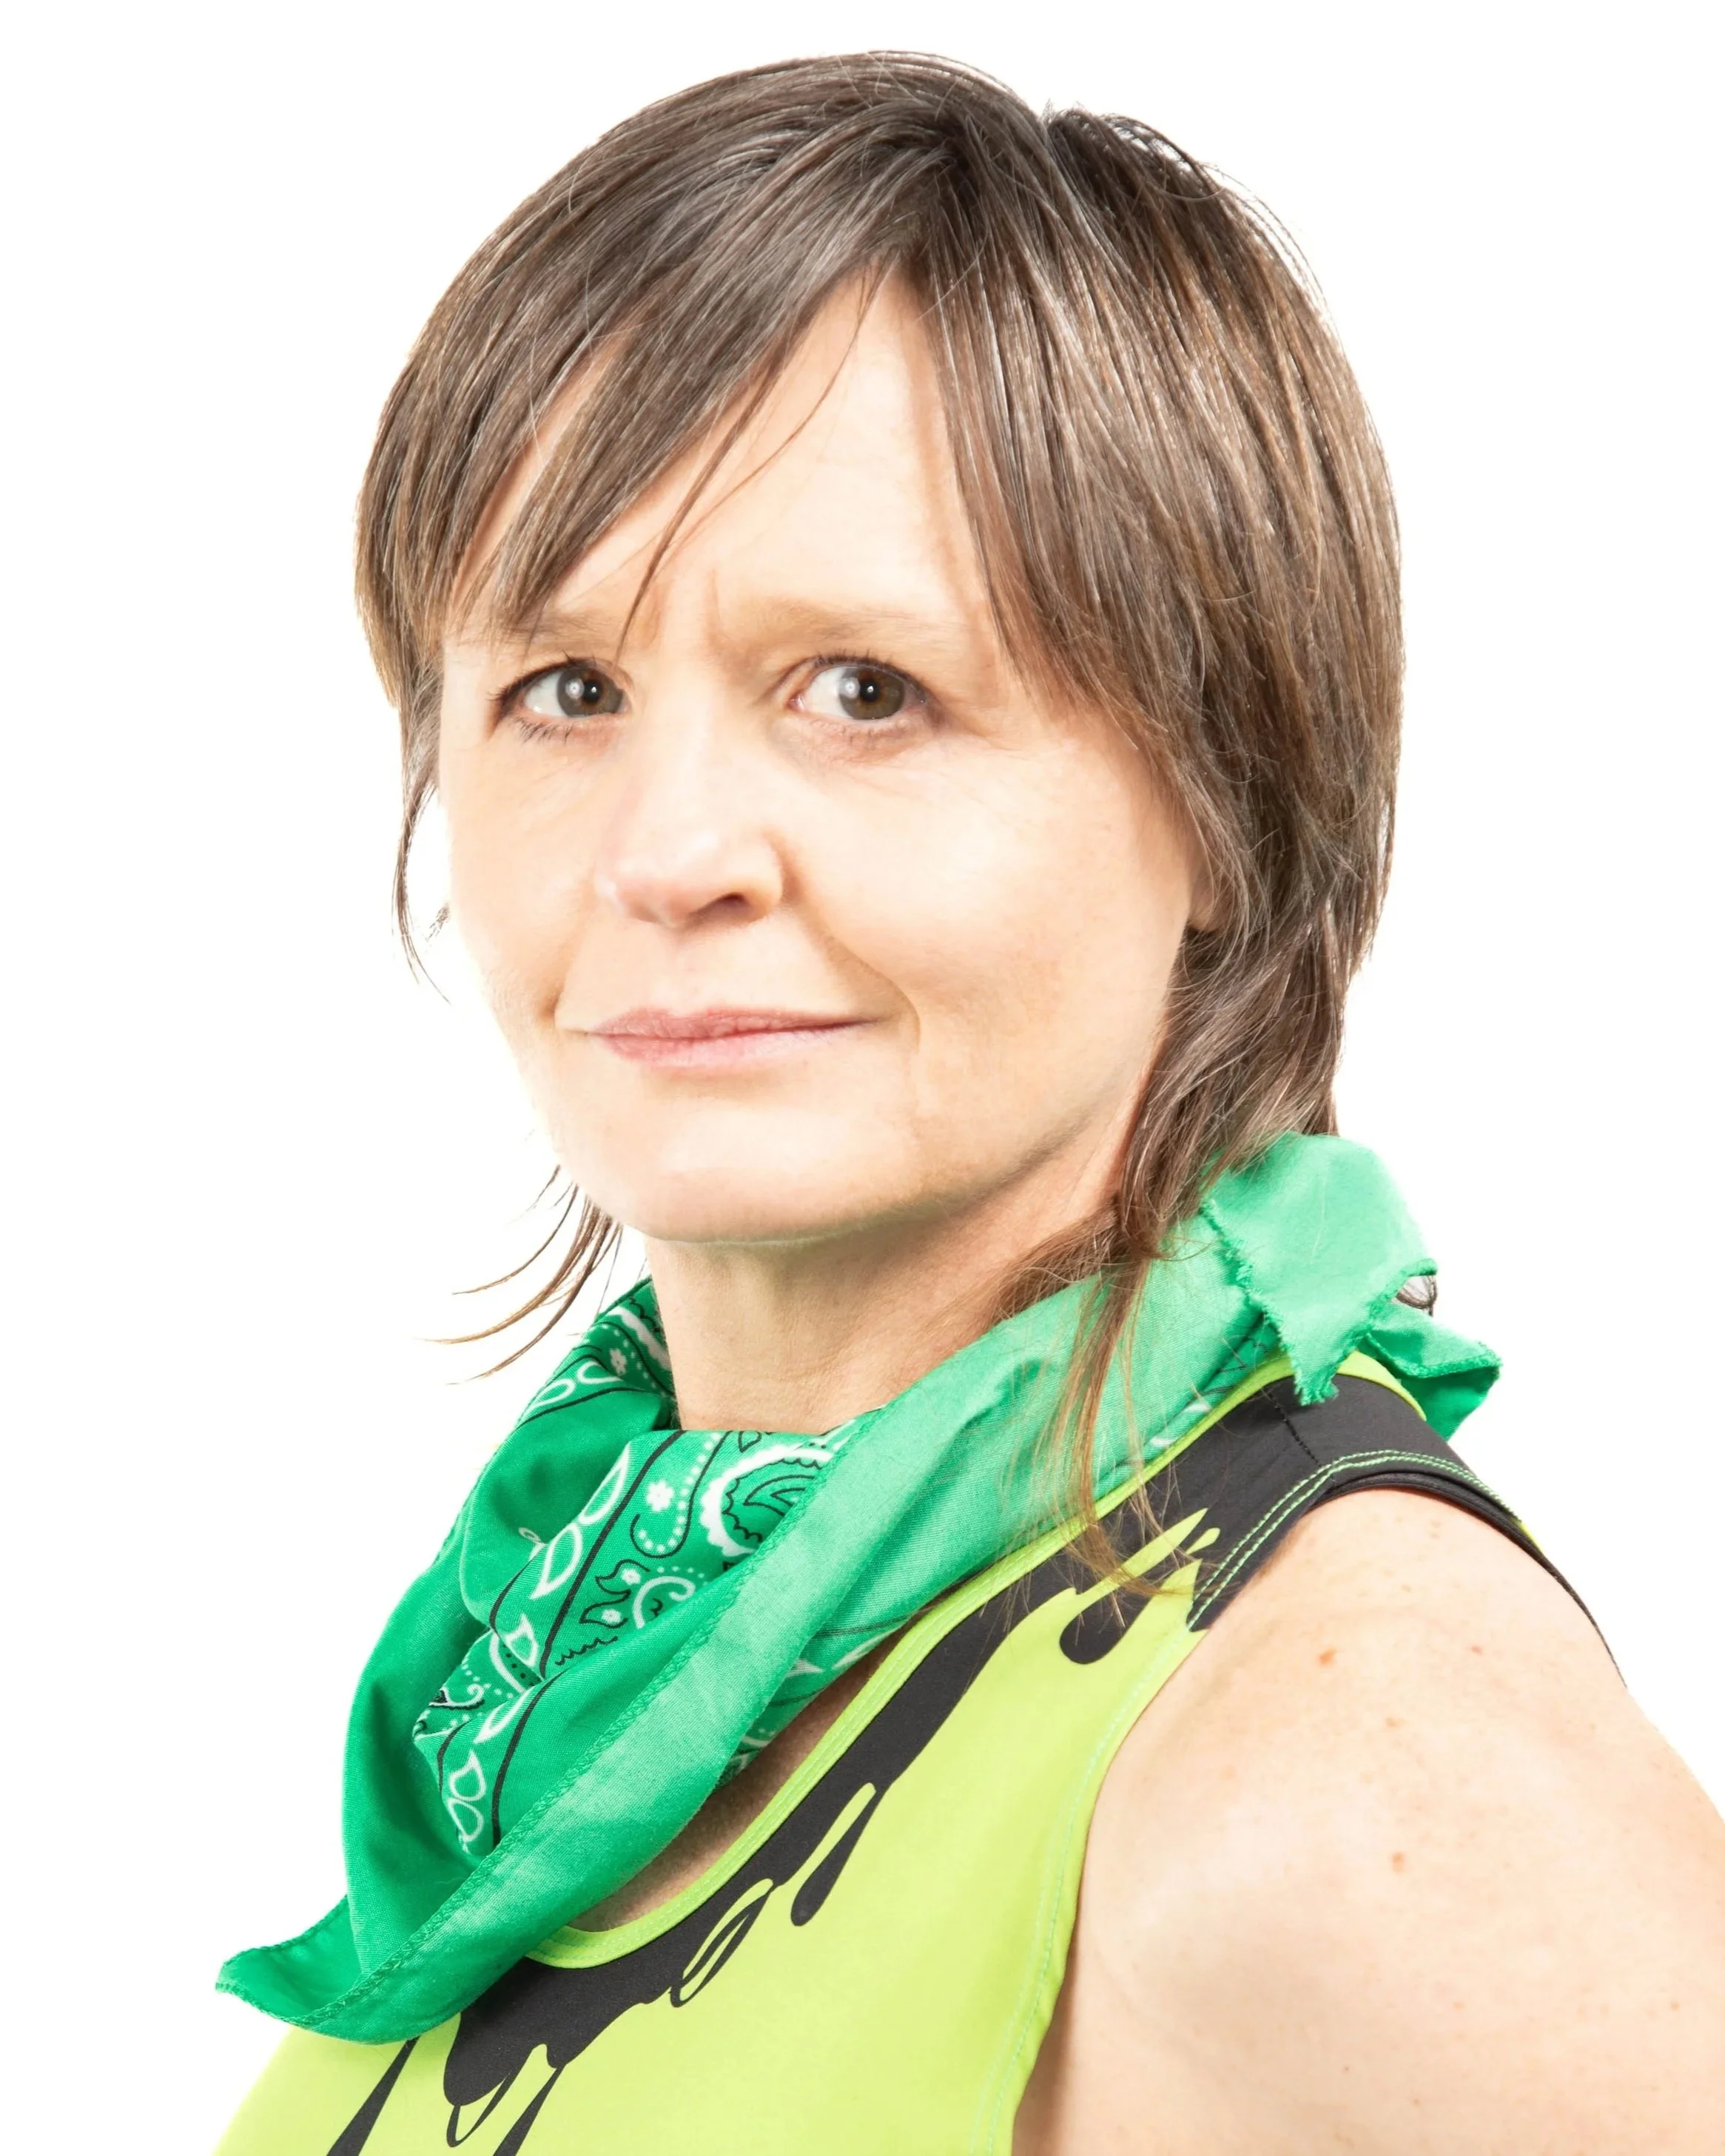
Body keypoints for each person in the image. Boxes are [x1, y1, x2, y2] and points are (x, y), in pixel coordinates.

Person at [215, 52, 1725, 2155]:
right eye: (566, 689)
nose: (667, 853)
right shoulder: (584, 1674)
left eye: (867, 692)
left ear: (1229, 798)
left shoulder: (1368, 1775)